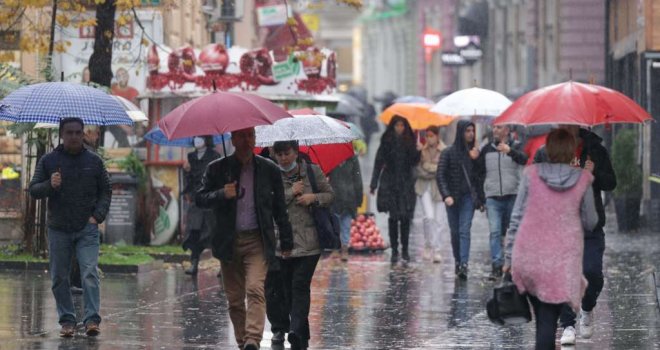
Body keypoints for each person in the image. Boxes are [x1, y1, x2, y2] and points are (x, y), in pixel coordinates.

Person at [195, 127, 293, 350]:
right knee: (235, 299)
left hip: (257, 241)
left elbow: (280, 209)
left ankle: (252, 340)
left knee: (256, 289)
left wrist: (286, 241)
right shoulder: (218, 168)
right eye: (242, 135)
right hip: (228, 241)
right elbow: (200, 198)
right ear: (233, 138)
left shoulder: (269, 170)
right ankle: (243, 342)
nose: (248, 140)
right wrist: (222, 193)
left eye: (251, 135)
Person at [503, 129, 598, 350]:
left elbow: (516, 217)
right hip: (562, 260)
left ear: (548, 149)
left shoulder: (531, 175)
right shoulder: (582, 179)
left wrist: (508, 258)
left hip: (530, 256)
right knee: (548, 317)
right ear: (570, 151)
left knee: (543, 320)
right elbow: (590, 221)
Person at [29, 117, 111, 338]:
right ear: (61, 135)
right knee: (59, 277)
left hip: (87, 227)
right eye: (69, 133)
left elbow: (106, 190)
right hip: (58, 228)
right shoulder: (49, 161)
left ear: (83, 134)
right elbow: (34, 189)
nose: (74, 136)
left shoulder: (94, 161)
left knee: (89, 273)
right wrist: (50, 184)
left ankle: (92, 320)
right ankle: (67, 321)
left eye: (77, 132)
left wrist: (97, 216)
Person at [534, 125, 617, 345]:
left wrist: (593, 173)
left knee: (592, 273)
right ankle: (568, 324)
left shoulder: (595, 149)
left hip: (590, 224)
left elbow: (611, 182)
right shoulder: (546, 151)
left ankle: (588, 307)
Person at [270, 140, 334, 350]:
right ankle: (301, 336)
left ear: (296, 152)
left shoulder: (312, 171)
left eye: (287, 153)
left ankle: (296, 331)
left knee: (299, 285)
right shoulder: (270, 173)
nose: (283, 158)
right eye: (279, 154)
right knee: (287, 290)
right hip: (283, 242)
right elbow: (267, 203)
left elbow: (329, 195)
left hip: (309, 242)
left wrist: (312, 197)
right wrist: (290, 193)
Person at [476, 124, 528, 279]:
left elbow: (524, 160)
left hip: (512, 195)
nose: (495, 130)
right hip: (492, 197)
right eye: (494, 128)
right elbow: (478, 173)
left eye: (499, 127)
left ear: (507, 130)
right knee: (495, 232)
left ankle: (511, 265)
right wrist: (481, 196)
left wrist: (510, 151)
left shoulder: (517, 146)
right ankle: (497, 265)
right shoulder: (486, 149)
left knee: (512, 233)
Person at [370, 116, 420, 263]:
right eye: (397, 125)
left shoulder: (410, 141)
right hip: (390, 184)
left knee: (405, 217)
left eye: (402, 126)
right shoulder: (386, 141)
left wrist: (418, 151)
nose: (400, 128)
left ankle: (405, 249)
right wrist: (374, 183)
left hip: (405, 184)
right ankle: (395, 250)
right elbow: (378, 162)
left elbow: (413, 161)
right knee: (393, 217)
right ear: (393, 127)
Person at [437, 120, 483, 279]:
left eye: (472, 130)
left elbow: (480, 177)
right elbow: (441, 175)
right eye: (467, 131)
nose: (470, 134)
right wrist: (446, 195)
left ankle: (464, 263)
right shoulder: (448, 152)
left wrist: (476, 159)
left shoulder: (476, 153)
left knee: (464, 230)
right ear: (460, 132)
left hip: (468, 198)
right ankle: (458, 260)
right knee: (455, 232)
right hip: (452, 199)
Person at [181, 136, 221, 276]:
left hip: (210, 200)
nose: (197, 140)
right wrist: (186, 171)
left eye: (200, 137)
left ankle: (223, 264)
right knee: (194, 232)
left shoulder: (215, 156)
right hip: (196, 200)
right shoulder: (191, 156)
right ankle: (194, 262)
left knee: (213, 233)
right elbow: (189, 179)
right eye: (195, 137)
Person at [414, 126, 449, 263]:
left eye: (432, 135)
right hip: (424, 187)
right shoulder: (421, 149)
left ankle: (438, 249)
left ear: (437, 136)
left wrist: (429, 167)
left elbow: (444, 169)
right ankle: (428, 245)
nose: (429, 138)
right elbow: (419, 170)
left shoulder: (445, 150)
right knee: (428, 217)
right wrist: (433, 168)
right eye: (427, 136)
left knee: (439, 220)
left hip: (439, 188)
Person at [329, 155, 363, 261]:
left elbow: (357, 180)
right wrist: (359, 198)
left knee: (340, 224)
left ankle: (339, 248)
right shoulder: (352, 159)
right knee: (343, 224)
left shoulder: (332, 158)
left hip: (343, 197)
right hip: (342, 196)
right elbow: (358, 180)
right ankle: (343, 249)